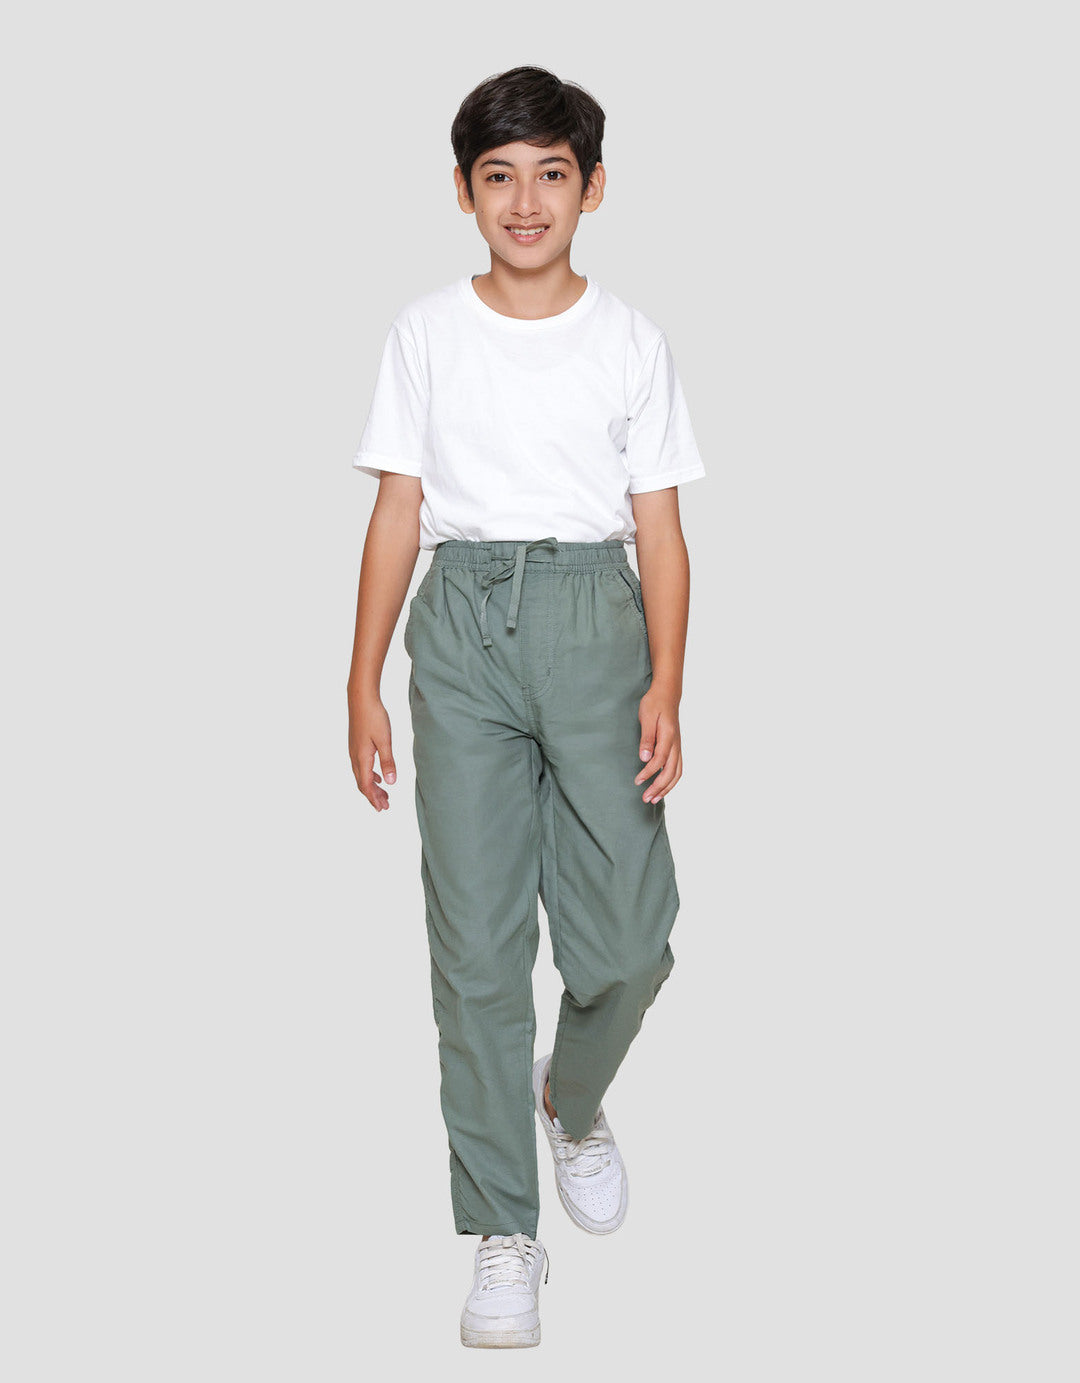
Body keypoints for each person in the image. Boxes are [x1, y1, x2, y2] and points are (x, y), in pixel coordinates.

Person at [346, 65, 706, 1349]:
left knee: (630, 940)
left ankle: (572, 1097)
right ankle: (503, 1229)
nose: (525, 200)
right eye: (498, 176)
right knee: (477, 950)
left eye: (552, 173)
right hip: (462, 626)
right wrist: (359, 677)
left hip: (598, 618)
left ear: (592, 188)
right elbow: (399, 508)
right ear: (463, 192)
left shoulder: (630, 341)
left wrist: (668, 679)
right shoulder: (425, 333)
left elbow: (660, 530)